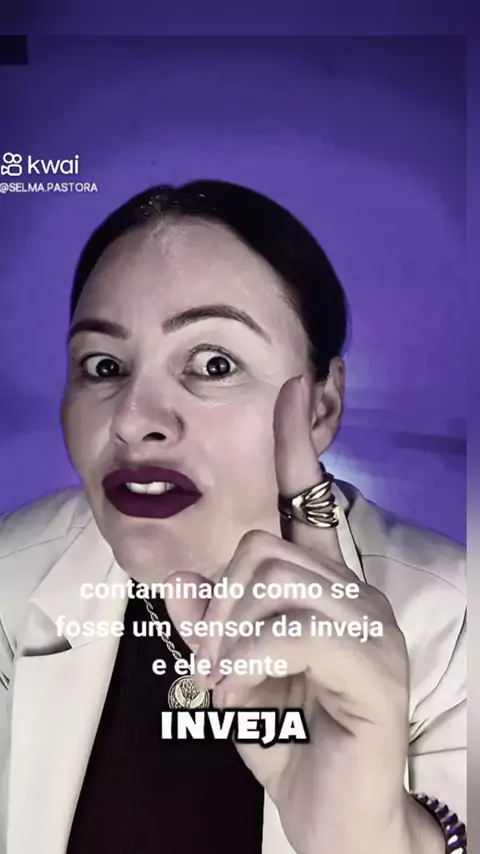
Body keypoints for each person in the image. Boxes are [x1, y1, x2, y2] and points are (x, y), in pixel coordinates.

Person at [0, 180, 466, 854]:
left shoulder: (457, 625)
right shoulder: (10, 584)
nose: (131, 420)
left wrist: (370, 836)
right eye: (103, 366)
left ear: (322, 406)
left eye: (213, 364)